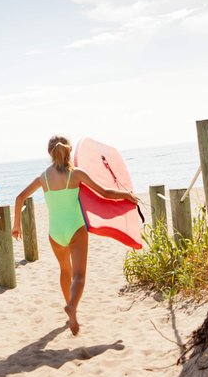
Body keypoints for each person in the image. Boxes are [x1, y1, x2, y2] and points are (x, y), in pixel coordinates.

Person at [11, 135, 138, 335]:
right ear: (69, 152)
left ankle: (70, 310)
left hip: (55, 233)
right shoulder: (76, 174)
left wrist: (16, 225)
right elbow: (104, 192)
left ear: (49, 153)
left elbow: (19, 198)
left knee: (65, 271)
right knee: (79, 276)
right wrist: (126, 195)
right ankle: (72, 306)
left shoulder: (42, 178)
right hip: (75, 229)